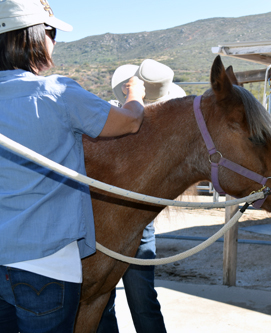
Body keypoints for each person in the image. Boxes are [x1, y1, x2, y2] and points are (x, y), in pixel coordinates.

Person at [0, 1, 145, 332]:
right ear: (31, 38)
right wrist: (134, 95)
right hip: (47, 268)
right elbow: (131, 123)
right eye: (50, 32)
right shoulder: (58, 93)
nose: (54, 41)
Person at [97, 59, 186, 333]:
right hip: (133, 225)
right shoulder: (164, 136)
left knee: (107, 300)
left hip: (109, 222)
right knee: (140, 299)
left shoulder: (112, 122)